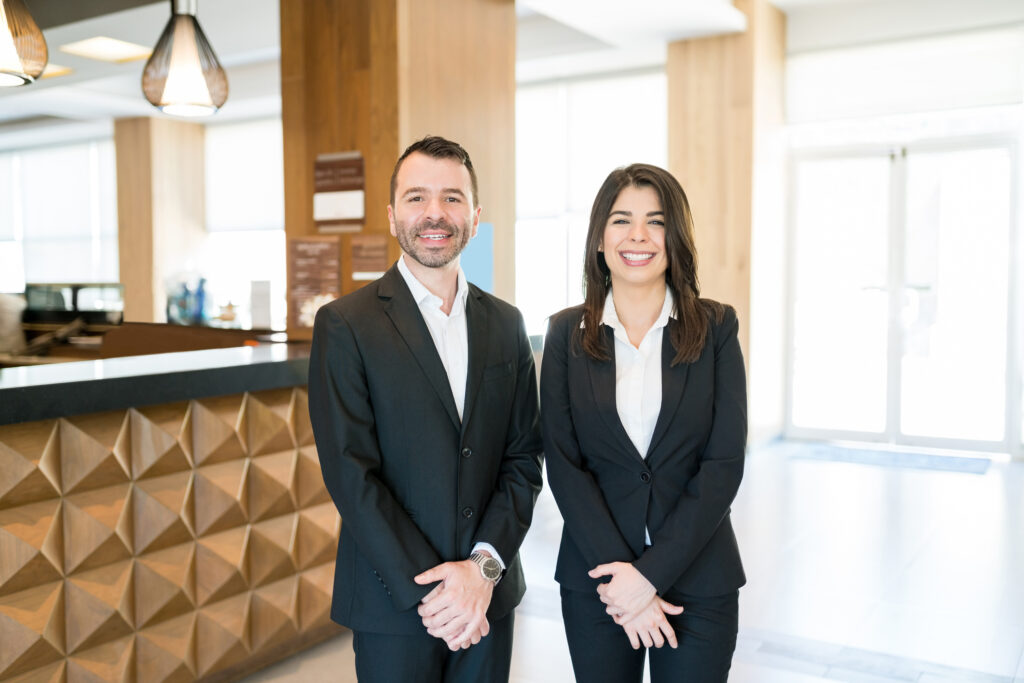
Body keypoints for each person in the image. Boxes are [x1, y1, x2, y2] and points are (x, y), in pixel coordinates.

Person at [308, 136, 544, 683]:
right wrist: (441, 591)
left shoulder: (507, 324)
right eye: (417, 198)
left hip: (489, 600)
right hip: (394, 600)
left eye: (452, 198)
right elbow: (351, 474)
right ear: (392, 216)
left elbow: (524, 460)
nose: (434, 213)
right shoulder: (346, 325)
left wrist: (481, 573)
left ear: (476, 216)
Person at [540, 163, 746, 682]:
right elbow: (565, 467)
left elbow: (722, 465)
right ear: (599, 238)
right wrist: (625, 582)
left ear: (674, 237)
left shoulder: (716, 327)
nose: (637, 236)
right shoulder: (565, 333)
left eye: (655, 221)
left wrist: (650, 577)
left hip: (699, 578)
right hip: (597, 581)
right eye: (621, 220)